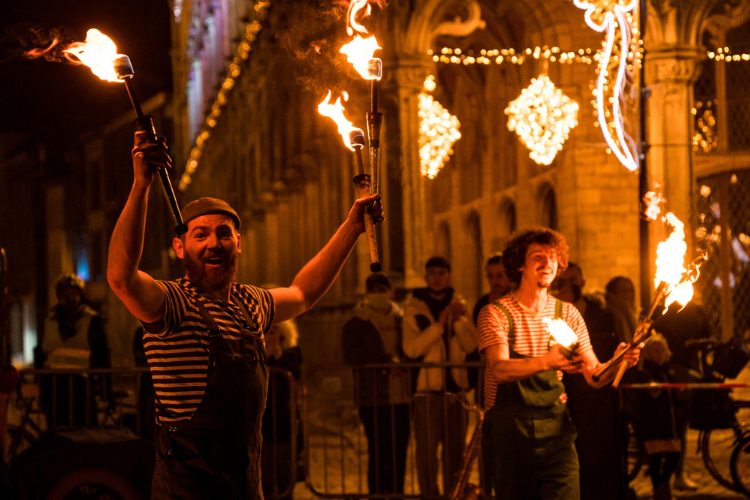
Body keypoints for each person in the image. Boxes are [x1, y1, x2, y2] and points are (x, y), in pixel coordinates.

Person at [106, 131, 383, 499]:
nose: (213, 243)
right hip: (187, 492)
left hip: (244, 485)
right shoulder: (172, 303)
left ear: (238, 243)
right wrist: (141, 185)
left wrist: (351, 227)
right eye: (200, 235)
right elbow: (121, 279)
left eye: (223, 233)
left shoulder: (249, 304)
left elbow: (303, 293)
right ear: (180, 247)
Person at [477, 227, 641, 500]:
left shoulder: (568, 313)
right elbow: (500, 370)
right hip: (510, 433)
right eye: (538, 256)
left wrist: (619, 360)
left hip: (557, 432)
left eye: (553, 257)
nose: (548, 262)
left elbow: (595, 376)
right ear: (519, 264)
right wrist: (547, 361)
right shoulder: (495, 313)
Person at [402, 256, 477, 497]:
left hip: (456, 395)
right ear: (425, 277)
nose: (437, 278)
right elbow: (411, 349)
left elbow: (470, 345)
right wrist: (439, 325)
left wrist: (457, 322)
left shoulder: (461, 307)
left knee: (455, 456)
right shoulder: (414, 309)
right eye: (432, 273)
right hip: (428, 393)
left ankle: (453, 496)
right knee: (426, 455)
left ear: (449, 277)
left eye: (442, 273)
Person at [551, 263, 627, 500]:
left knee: (601, 468)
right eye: (560, 281)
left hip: (598, 407)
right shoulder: (551, 318)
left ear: (582, 282)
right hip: (565, 404)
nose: (566, 286)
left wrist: (621, 359)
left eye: (572, 280)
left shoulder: (601, 315)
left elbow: (600, 367)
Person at [342, 274, 411, 494]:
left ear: (391, 292)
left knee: (399, 451)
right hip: (372, 396)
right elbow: (351, 355)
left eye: (382, 289)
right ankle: (379, 495)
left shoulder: (403, 318)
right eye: (373, 290)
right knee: (379, 451)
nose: (378, 294)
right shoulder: (358, 322)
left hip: (402, 396)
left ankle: (396, 494)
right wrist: (385, 362)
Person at [41, 273, 110, 427]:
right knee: (56, 436)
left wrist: (107, 390)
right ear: (59, 296)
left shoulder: (92, 320)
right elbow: (42, 354)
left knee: (86, 434)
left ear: (81, 295)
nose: (70, 298)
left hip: (81, 388)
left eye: (73, 293)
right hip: (54, 389)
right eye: (65, 294)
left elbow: (103, 355)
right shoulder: (50, 320)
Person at [632, 334, 689, 500]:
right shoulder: (644, 372)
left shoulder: (667, 371)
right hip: (653, 424)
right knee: (655, 458)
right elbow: (644, 396)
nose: (659, 354)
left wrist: (680, 396)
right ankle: (660, 491)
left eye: (662, 350)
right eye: (655, 350)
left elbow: (673, 398)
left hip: (669, 424)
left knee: (674, 455)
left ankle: (663, 486)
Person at [261, 319, 302, 500]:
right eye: (266, 331)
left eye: (274, 331)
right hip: (260, 427)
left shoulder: (291, 355)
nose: (270, 336)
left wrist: (275, 355)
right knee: (264, 482)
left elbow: (296, 370)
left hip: (284, 427)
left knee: (286, 479)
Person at [472, 253, 513, 325]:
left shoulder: (520, 302)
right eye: (491, 276)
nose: (495, 281)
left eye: (499, 276)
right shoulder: (482, 305)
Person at [605, 276, 638, 344]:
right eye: (622, 289)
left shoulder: (633, 315)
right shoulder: (609, 314)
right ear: (613, 292)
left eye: (629, 290)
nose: (627, 293)